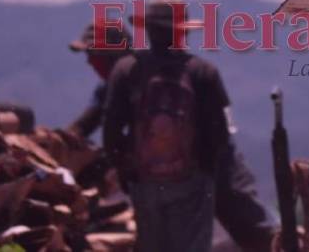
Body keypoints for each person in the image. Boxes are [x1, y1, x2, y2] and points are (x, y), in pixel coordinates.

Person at [69, 17, 276, 251]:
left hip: (204, 163)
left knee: (243, 218)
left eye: (92, 54)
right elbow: (87, 124)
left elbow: (101, 128)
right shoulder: (124, 77)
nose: (88, 62)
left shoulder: (131, 74)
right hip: (183, 169)